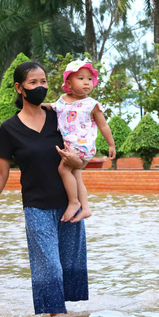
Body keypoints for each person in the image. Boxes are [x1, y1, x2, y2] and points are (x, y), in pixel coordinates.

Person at [0, 61, 89, 316]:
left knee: (69, 269)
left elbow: (82, 154)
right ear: (19, 88)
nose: (41, 87)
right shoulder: (9, 129)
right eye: (33, 83)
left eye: (44, 82)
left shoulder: (59, 117)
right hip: (36, 207)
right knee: (49, 268)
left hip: (70, 204)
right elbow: (0, 174)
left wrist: (78, 162)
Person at [44, 60, 115, 222]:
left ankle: (74, 202)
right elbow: (52, 106)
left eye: (89, 79)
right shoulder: (62, 100)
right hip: (70, 146)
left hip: (82, 146)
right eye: (81, 78)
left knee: (63, 170)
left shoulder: (92, 105)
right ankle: (86, 208)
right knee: (76, 174)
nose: (86, 82)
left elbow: (103, 126)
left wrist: (111, 144)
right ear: (68, 82)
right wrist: (37, 106)